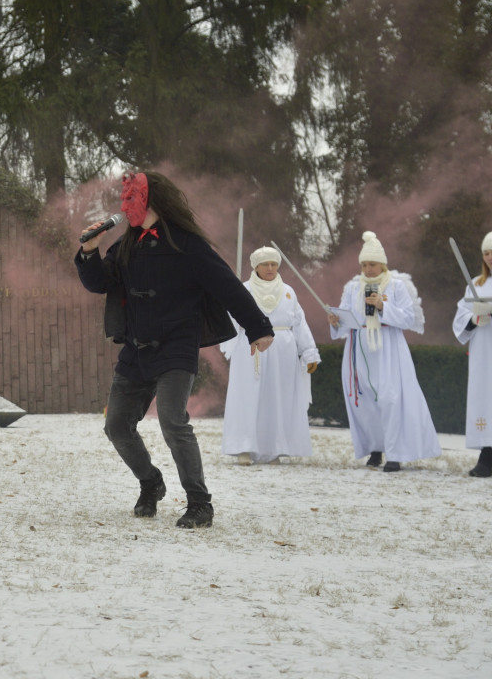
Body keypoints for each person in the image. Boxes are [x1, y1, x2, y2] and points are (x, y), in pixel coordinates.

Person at [76, 171, 274, 529]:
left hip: (176, 347)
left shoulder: (187, 245)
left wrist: (258, 327)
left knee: (172, 420)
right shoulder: (126, 244)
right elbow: (100, 283)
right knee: (116, 425)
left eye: (132, 198)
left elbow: (228, 286)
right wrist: (89, 252)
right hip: (136, 350)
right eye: (124, 199)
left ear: (151, 201)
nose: (125, 205)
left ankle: (199, 503)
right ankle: (151, 482)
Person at [327, 230, 441, 472]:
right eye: (364, 265)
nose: (368, 269)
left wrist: (382, 306)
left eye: (373, 264)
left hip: (388, 349)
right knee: (365, 400)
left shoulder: (397, 286)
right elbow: (347, 317)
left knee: (391, 399)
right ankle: (375, 448)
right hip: (359, 348)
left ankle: (396, 454)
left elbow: (408, 318)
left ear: (382, 264)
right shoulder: (353, 287)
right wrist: (336, 321)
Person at [221, 246, 320, 465]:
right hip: (251, 347)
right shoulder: (244, 289)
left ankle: (273, 449)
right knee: (247, 396)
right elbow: (231, 318)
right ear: (256, 267)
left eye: (274, 264)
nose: (270, 268)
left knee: (277, 398)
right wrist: (229, 343)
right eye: (265, 264)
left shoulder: (288, 291)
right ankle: (244, 448)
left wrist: (309, 352)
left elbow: (299, 322)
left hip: (283, 350)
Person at [451, 232, 492, 477]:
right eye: (486, 253)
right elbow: (460, 317)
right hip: (483, 353)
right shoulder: (476, 284)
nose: (490, 257)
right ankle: (487, 456)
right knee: (486, 399)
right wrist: (475, 319)